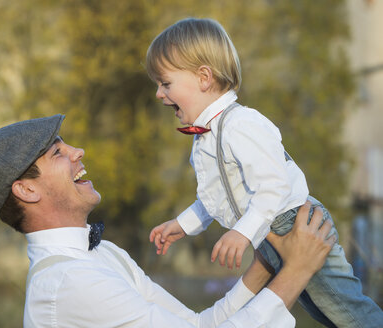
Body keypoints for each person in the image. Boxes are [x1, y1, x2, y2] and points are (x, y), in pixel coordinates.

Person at [0, 114, 336, 327]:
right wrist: (296, 273)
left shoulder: (103, 254)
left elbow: (196, 325)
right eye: (57, 152)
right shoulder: (69, 282)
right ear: (26, 191)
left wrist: (264, 267)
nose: (77, 152)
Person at [146, 18, 383, 327]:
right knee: (328, 316)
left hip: (293, 225)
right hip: (269, 236)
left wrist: (242, 233)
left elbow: (274, 187)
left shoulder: (241, 124)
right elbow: (215, 198)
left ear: (204, 78)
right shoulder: (204, 138)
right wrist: (184, 223)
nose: (159, 94)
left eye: (165, 83)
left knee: (350, 314)